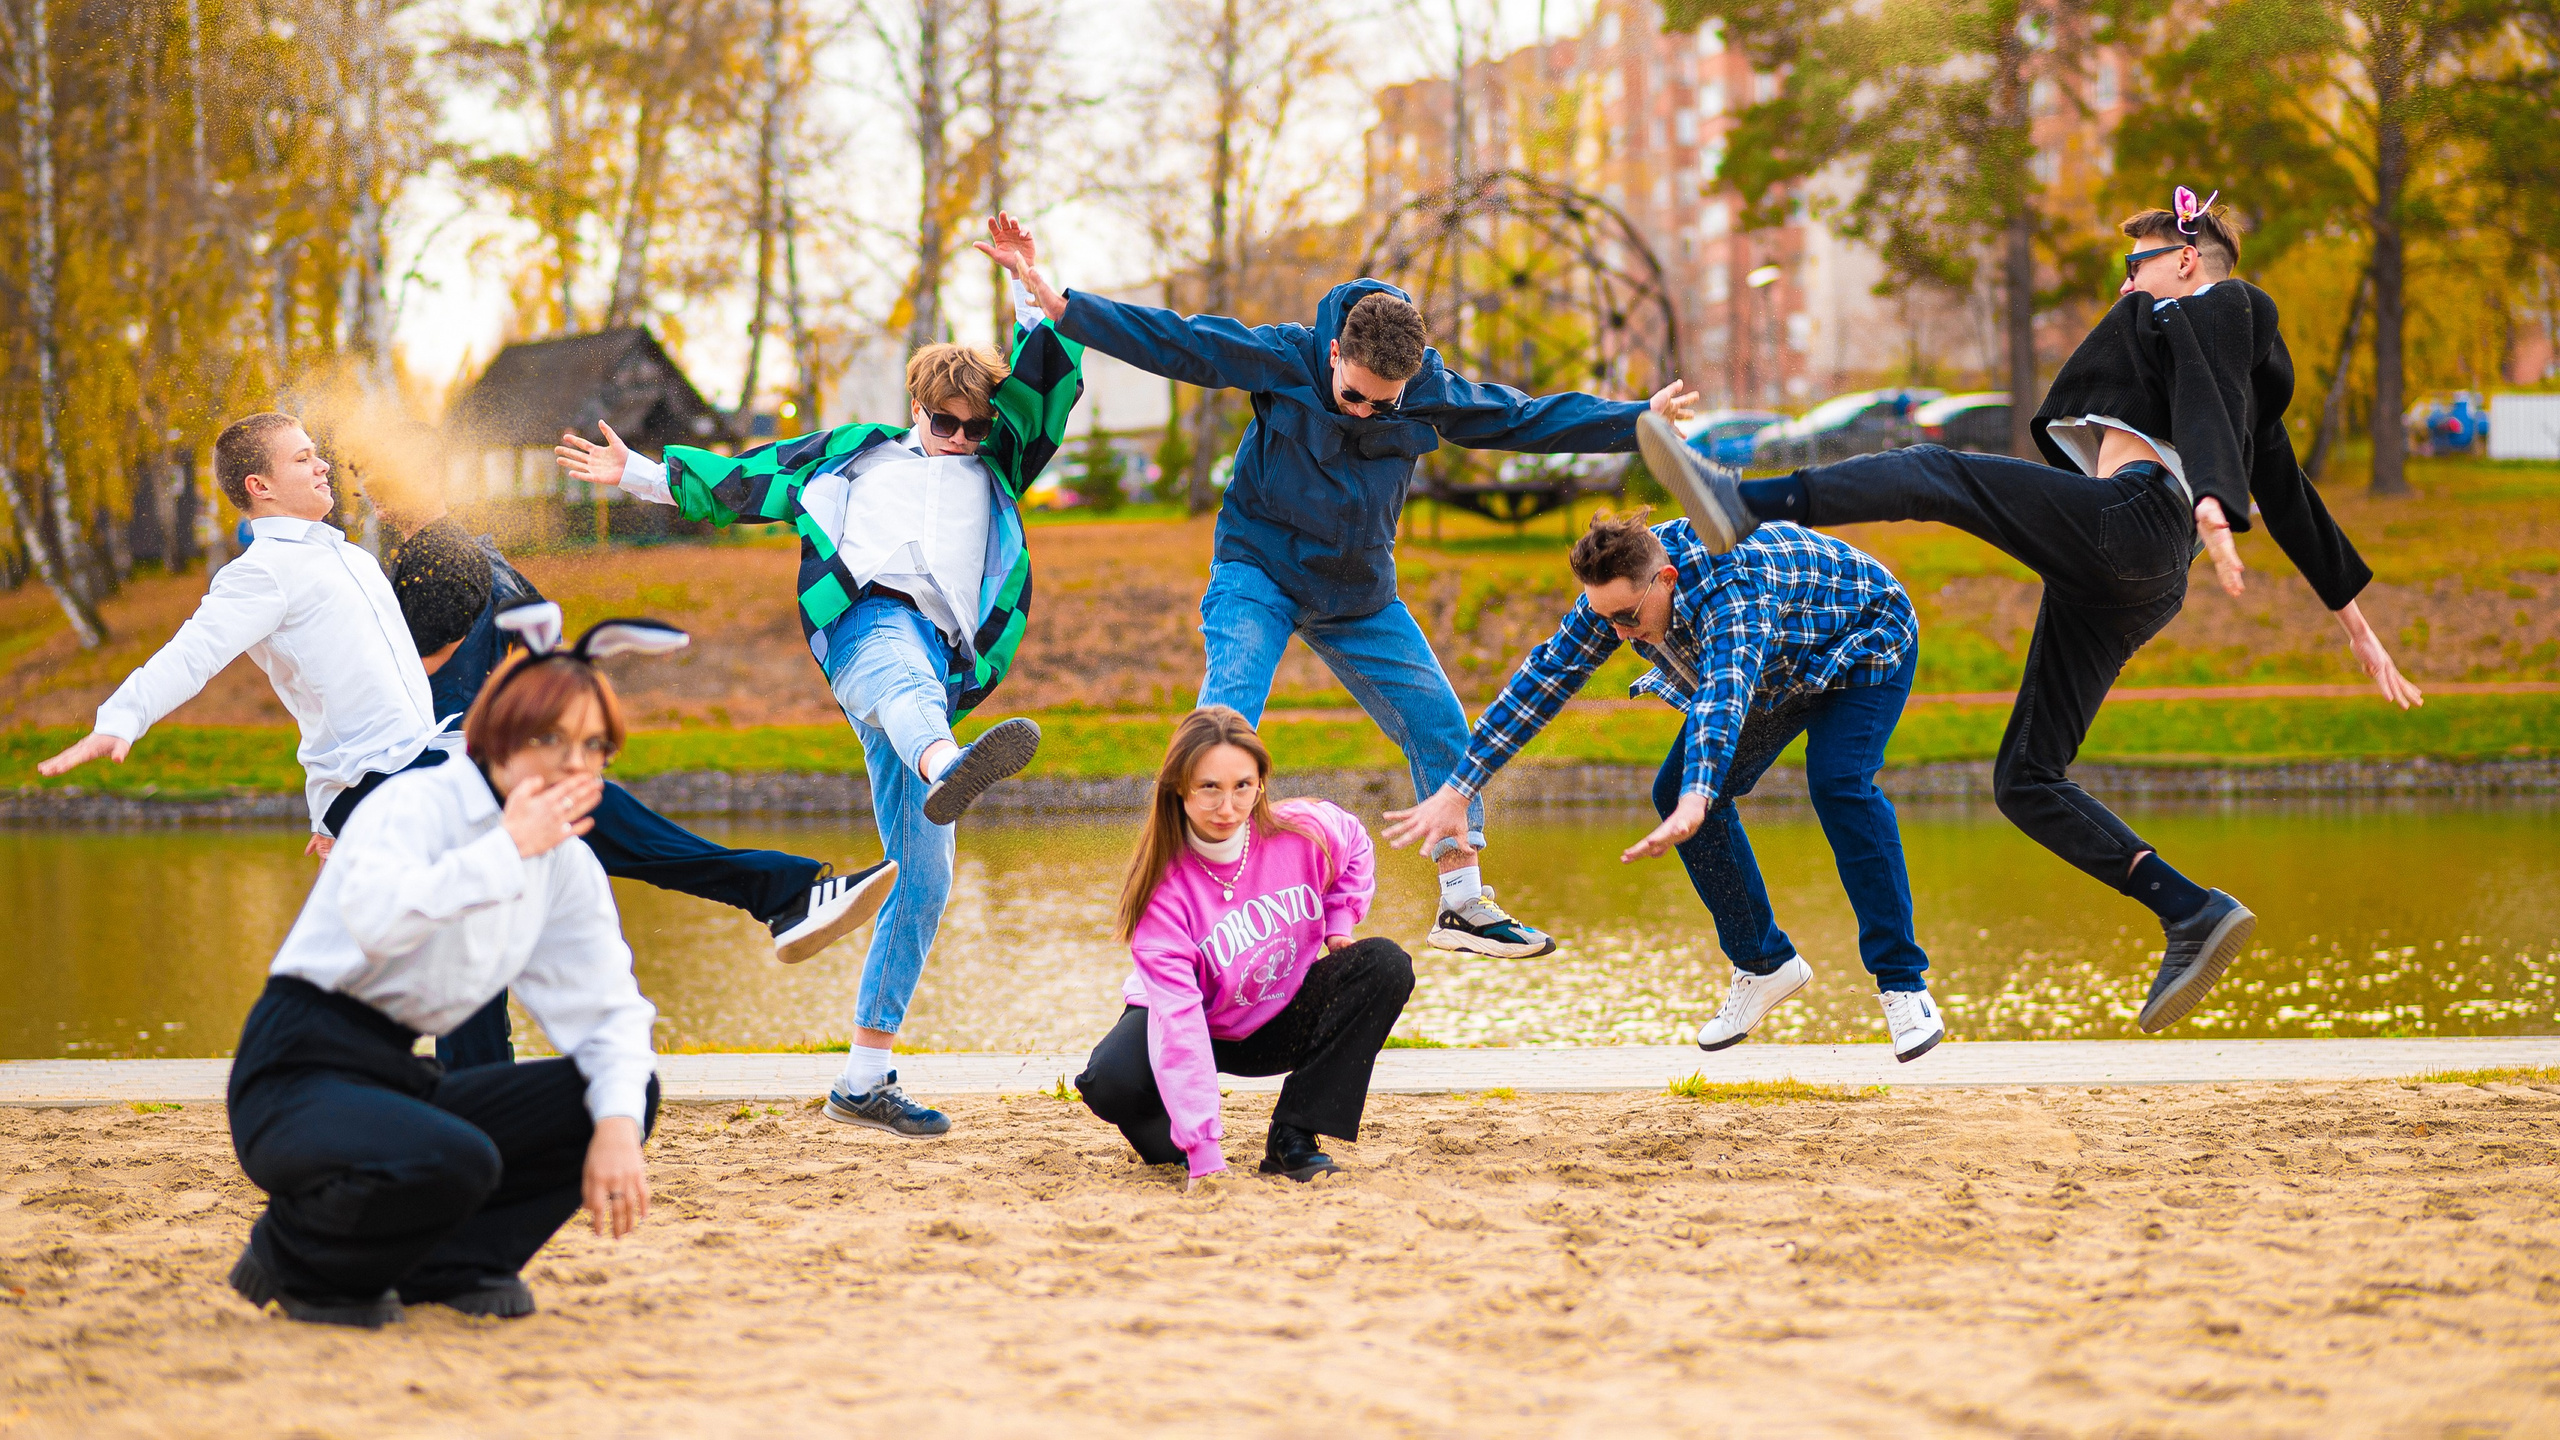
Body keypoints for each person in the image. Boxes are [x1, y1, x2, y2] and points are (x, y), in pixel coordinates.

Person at [1638, 187, 2424, 1034]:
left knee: (1935, 473)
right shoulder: (2215, 366)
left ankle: (1738, 502)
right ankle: (2189, 909)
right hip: (2135, 578)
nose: (2125, 285)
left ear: (2187, 262)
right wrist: (2360, 629)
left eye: (2137, 266)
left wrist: (2212, 508)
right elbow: (2295, 497)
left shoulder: (2225, 304)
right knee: (2026, 779)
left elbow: (2219, 413)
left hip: (2136, 522)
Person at [1003, 237, 1699, 961]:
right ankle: (1197, 889)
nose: (1366, 411)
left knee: (1439, 723)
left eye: (1383, 402)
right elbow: (1185, 343)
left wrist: (1637, 420)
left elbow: (1526, 419)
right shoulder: (1284, 356)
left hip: (1359, 591)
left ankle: (1463, 902)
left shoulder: (1430, 391)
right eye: (1354, 395)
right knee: (1226, 717)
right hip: (1259, 571)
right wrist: (1065, 309)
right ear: (1334, 352)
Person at [554, 213, 1083, 1138]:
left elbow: (1046, 389)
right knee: (902, 673)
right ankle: (944, 767)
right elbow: (745, 481)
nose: (962, 438)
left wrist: (1026, 284)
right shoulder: (855, 455)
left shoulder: (999, 465)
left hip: (938, 671)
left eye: (975, 427)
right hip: (867, 629)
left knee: (924, 881)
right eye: (947, 423)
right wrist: (635, 471)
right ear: (919, 408)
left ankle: (865, 1078)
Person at [225, 627, 671, 1328]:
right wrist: (505, 850)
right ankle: (296, 1255)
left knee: (621, 1090)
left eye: (593, 749)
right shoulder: (413, 805)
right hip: (294, 1071)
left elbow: (609, 1011)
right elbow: (378, 922)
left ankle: (454, 1265)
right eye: (551, 740)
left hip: (396, 1078)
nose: (572, 766)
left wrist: (616, 1127)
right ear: (499, 734)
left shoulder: (565, 863)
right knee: (453, 1159)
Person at [1386, 511, 1944, 1060]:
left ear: (1667, 579)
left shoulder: (1735, 590)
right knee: (1672, 791)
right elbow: (1544, 681)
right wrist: (1459, 788)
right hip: (1776, 669)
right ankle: (1764, 964)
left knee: (1838, 782)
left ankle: (1904, 986)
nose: (1620, 633)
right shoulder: (1615, 602)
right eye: (1606, 619)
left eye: (1628, 617)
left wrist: (1699, 797)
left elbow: (1723, 700)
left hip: (1863, 639)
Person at [387, 516, 896, 1071]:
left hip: (483, 764)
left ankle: (476, 1090)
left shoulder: (450, 565)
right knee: (480, 935)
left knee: (478, 940)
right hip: (448, 773)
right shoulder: (444, 569)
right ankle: (785, 895)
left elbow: (541, 654)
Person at [37, 414, 453, 852]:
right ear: (261, 486)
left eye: (316, 455)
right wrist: (122, 719)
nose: (323, 466)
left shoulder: (352, 556)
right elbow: (192, 654)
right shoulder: (261, 572)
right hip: (372, 790)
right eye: (302, 458)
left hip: (418, 770)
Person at [1074, 706, 1412, 1188]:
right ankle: (1177, 1133)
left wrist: (1339, 919)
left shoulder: (1303, 831)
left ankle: (1293, 1137)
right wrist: (1204, 1153)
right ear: (1178, 787)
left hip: (1277, 1014)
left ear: (1261, 785)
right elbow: (1179, 1021)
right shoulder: (1163, 893)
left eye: (1242, 787)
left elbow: (1356, 842)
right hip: (1197, 1024)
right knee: (1112, 1084)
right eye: (1208, 787)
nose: (1227, 808)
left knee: (1384, 964)